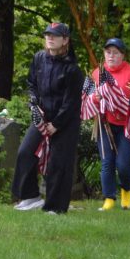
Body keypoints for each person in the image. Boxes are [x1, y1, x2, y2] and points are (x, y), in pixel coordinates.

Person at [12, 22, 83, 214]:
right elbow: (31, 84)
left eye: (55, 35)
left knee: (59, 163)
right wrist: (34, 102)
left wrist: (56, 124)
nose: (50, 38)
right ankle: (30, 197)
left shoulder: (73, 70)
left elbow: (71, 103)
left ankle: (55, 207)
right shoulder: (39, 59)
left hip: (66, 122)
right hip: (43, 116)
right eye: (47, 35)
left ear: (65, 40)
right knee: (25, 152)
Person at [89, 38, 130, 211]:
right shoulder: (97, 73)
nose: (111, 56)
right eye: (108, 52)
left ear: (122, 55)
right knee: (107, 162)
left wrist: (120, 100)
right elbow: (89, 98)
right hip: (105, 123)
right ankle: (109, 198)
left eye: (115, 52)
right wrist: (95, 98)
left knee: (123, 164)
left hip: (127, 125)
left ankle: (126, 190)